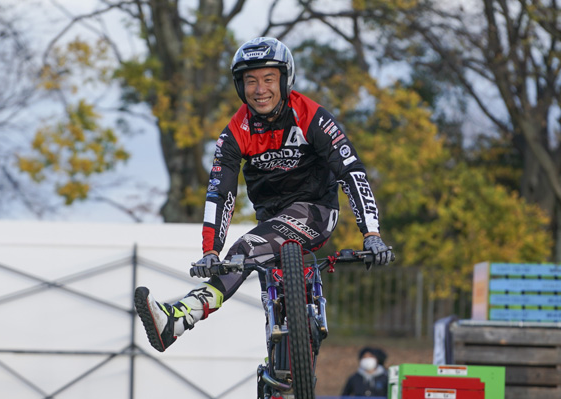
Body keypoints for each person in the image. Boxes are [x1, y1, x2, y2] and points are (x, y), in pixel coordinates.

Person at [134, 37, 393, 351]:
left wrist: (371, 233)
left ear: (285, 80)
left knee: (244, 248)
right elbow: (220, 192)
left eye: (269, 79)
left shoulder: (312, 116)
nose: (260, 90)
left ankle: (180, 317)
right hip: (271, 222)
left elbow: (351, 171)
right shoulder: (235, 132)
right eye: (250, 81)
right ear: (240, 87)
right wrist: (211, 251)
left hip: (316, 211)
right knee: (271, 300)